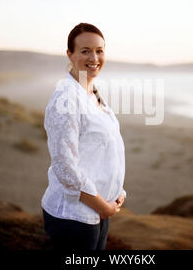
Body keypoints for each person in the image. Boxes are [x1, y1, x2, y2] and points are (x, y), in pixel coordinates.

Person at [41, 23, 127, 251]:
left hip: (97, 211)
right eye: (85, 51)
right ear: (70, 54)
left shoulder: (91, 92)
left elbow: (101, 152)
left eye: (99, 50)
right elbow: (65, 167)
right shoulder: (66, 98)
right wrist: (103, 206)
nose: (94, 57)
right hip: (74, 217)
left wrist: (117, 193)